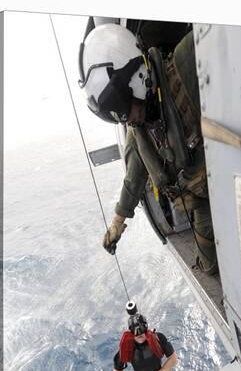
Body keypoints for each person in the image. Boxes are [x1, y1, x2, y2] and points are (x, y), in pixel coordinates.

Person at [78, 22, 218, 275]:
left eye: (123, 109)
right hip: (203, 196)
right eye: (119, 117)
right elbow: (133, 178)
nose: (127, 121)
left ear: (136, 77)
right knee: (208, 266)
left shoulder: (187, 59)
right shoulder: (139, 128)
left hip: (228, 174)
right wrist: (117, 223)